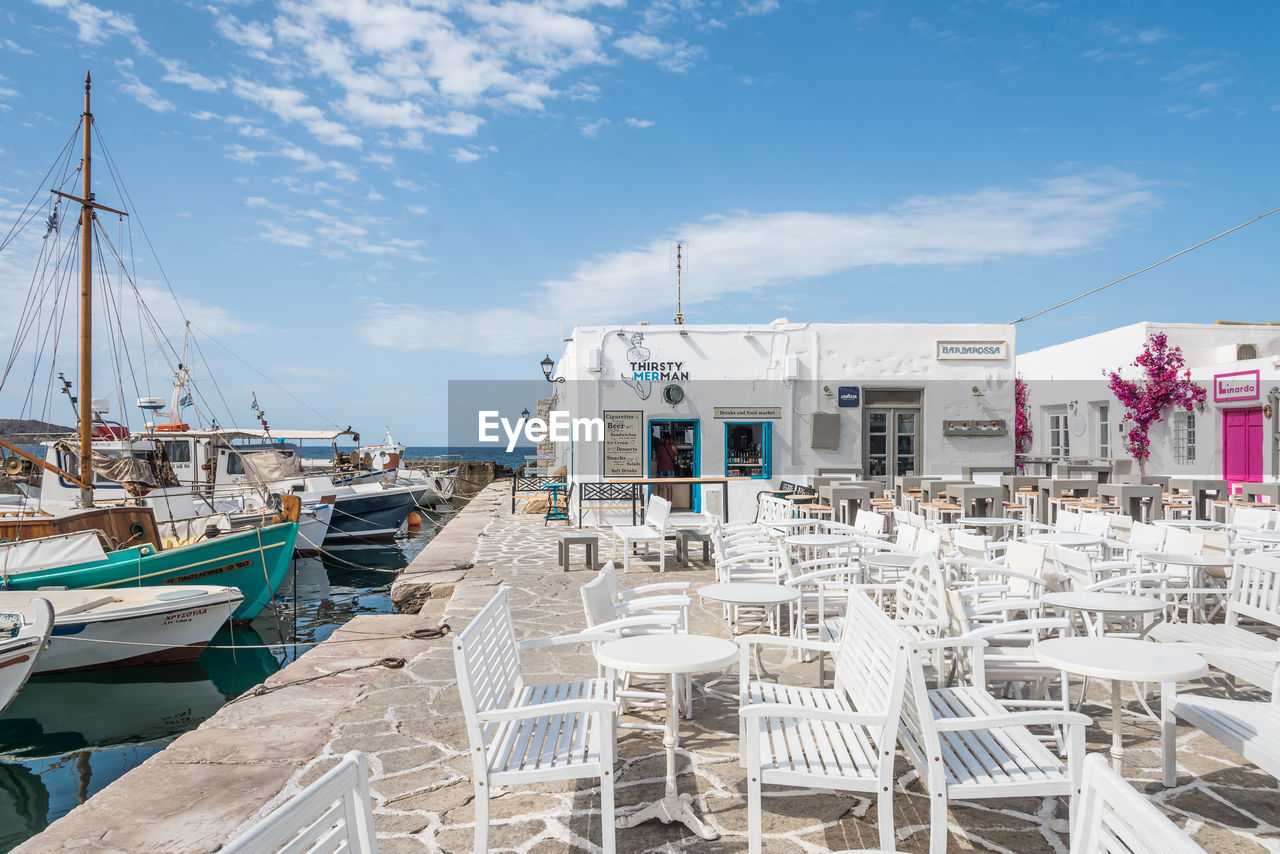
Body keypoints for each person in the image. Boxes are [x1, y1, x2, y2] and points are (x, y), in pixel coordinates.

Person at [655, 434, 678, 501]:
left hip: (661, 469)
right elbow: (676, 454)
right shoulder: (673, 447)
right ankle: (669, 505)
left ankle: (660, 506)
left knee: (660, 489)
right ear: (670, 439)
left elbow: (658, 455)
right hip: (670, 469)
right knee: (669, 488)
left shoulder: (660, 447)